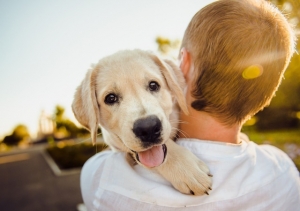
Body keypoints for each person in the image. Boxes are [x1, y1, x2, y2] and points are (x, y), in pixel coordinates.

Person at [80, 0, 300, 210]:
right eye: (111, 98)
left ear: (182, 65)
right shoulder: (283, 171)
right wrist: (169, 156)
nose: (145, 117)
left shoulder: (101, 179)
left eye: (153, 86)